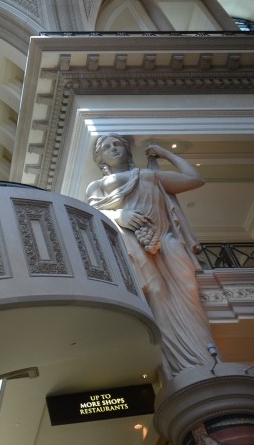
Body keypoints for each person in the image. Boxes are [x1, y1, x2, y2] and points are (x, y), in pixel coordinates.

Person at [86, 134, 214, 374]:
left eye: (118, 144)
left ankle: (205, 356)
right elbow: (91, 217)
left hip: (166, 239)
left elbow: (195, 179)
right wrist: (118, 216)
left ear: (127, 150)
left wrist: (166, 154)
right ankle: (181, 364)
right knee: (155, 291)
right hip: (133, 240)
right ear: (100, 158)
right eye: (106, 147)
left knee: (188, 289)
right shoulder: (98, 186)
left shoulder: (149, 176)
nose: (113, 148)